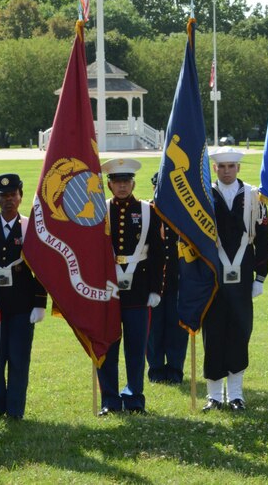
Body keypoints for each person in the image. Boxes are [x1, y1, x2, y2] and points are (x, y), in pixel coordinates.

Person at [202, 147, 268, 412]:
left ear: (238, 168)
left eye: (231, 166)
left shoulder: (254, 196)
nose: (227, 171)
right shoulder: (205, 195)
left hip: (242, 276)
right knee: (213, 333)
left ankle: (237, 394)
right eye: (222, 167)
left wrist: (260, 277)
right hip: (213, 276)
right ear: (215, 169)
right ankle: (214, 395)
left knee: (240, 332)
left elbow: (262, 239)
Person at [97, 158, 163, 415]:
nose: (122, 186)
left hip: (139, 289)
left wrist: (156, 289)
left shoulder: (148, 211)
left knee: (136, 347)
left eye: (126, 181)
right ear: (109, 185)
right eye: (116, 182)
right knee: (107, 346)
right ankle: (110, 400)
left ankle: (134, 397)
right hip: (108, 292)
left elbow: (158, 254)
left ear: (133, 182)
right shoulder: (100, 212)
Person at [0, 173, 49, 421]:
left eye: (12, 195)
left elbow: (42, 267)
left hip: (22, 305)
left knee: (19, 360)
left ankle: (15, 410)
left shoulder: (30, 227)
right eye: (2, 196)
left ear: (20, 195)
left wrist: (40, 303)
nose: (8, 200)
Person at [146, 171, 188, 384]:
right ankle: (155, 369)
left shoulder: (183, 213)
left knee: (177, 326)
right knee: (153, 327)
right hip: (152, 281)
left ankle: (175, 369)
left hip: (177, 278)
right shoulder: (147, 212)